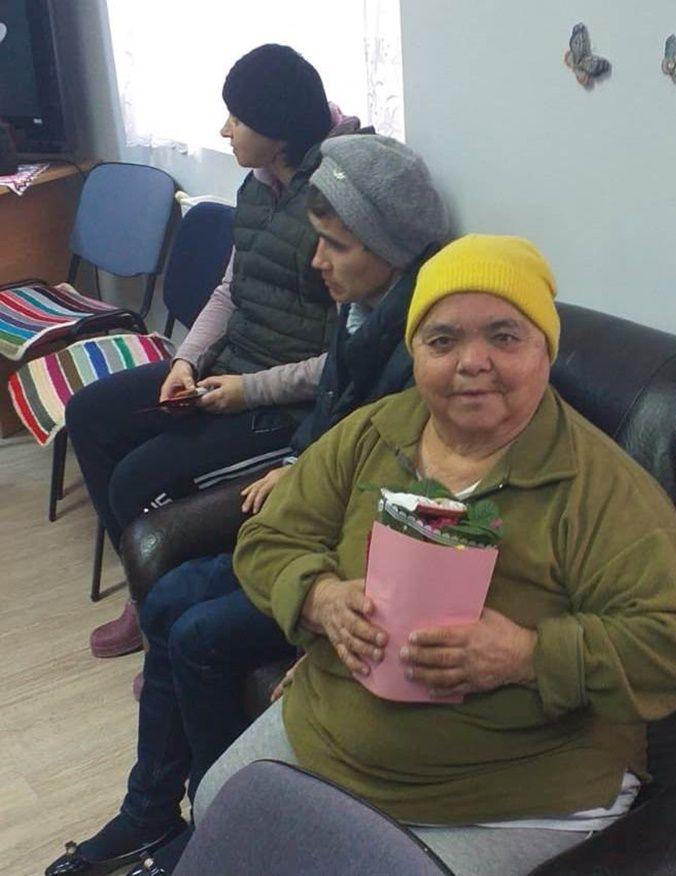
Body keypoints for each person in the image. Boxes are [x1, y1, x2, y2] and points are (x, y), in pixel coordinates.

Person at [188, 235, 676, 876]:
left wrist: (526, 655)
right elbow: (268, 539)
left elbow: (674, 650)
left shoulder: (602, 489)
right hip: (333, 734)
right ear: (414, 354)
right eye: (442, 341)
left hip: (509, 792)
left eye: (504, 337)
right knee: (217, 808)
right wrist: (319, 598)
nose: (473, 363)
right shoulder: (373, 432)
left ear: (545, 350)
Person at [44, 135, 449, 876]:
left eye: (336, 246)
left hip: (347, 560)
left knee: (197, 633)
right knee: (167, 596)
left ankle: (214, 824)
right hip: (313, 529)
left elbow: (401, 505)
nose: (317, 261)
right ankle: (149, 811)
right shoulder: (362, 309)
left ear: (391, 247)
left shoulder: (423, 344)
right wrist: (296, 465)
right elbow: (332, 428)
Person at [67, 44, 344, 660]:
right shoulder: (259, 187)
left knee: (136, 479)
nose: (224, 130)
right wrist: (185, 362)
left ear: (278, 132)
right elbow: (228, 290)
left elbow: (345, 359)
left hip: (281, 403)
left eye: (237, 119)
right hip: (226, 367)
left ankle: (157, 615)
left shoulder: (337, 203)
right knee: (91, 413)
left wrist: (249, 390)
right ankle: (146, 587)